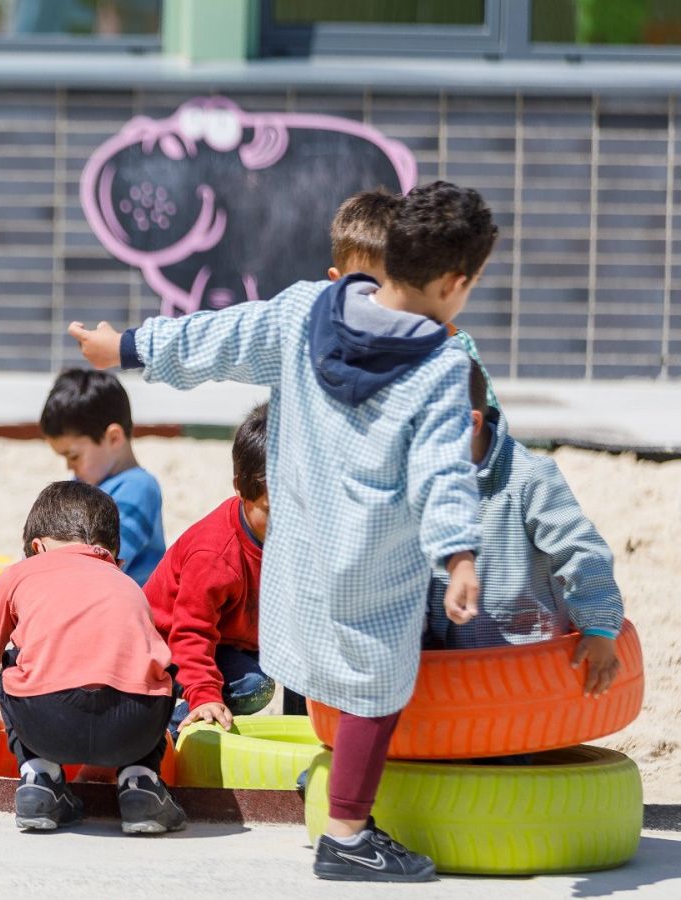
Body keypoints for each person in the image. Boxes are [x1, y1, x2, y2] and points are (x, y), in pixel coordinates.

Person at [67, 181, 496, 882]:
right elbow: (443, 469)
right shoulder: (441, 364)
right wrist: (459, 555)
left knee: (317, 670)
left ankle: (317, 772)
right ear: (455, 283)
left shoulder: (305, 310)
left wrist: (130, 346)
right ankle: (348, 834)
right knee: (376, 688)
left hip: (293, 555)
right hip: (372, 564)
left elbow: (220, 335)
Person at [0, 480, 183, 835]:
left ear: (37, 548)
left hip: (46, 722)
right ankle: (141, 784)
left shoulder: (19, 574)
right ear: (114, 558)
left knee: (13, 663)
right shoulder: (127, 583)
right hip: (135, 727)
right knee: (155, 669)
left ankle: (39, 779)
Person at [426, 362, 625, 680]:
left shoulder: (529, 478)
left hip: (525, 652)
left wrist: (599, 626)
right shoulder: (421, 483)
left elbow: (580, 550)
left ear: (470, 423)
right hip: (447, 657)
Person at [148, 403, 302, 735]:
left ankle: (302, 730)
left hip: (233, 640)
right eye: (272, 510)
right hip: (169, 647)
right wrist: (204, 694)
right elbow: (191, 633)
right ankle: (167, 732)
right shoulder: (215, 554)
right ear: (241, 489)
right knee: (253, 686)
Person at [329, 188, 498, 410]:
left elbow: (488, 416)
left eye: (390, 287)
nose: (380, 302)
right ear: (336, 282)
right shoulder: (319, 332)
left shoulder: (452, 345)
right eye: (366, 290)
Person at [39, 368, 166, 585]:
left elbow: (101, 563)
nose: (69, 466)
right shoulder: (83, 484)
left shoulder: (139, 488)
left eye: (74, 456)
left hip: (118, 598)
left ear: (114, 438)